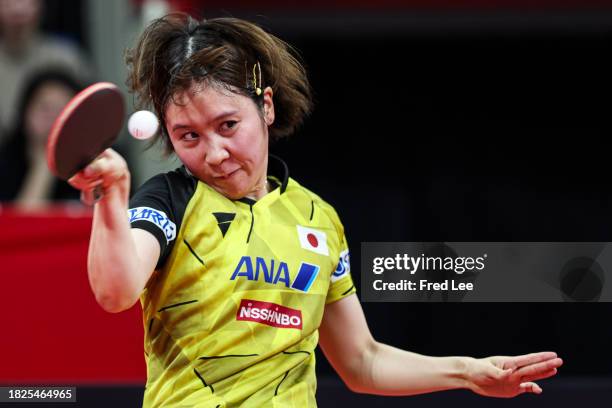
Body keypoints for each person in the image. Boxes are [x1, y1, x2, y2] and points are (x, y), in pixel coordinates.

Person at [68, 13, 563, 407]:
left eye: (227, 125)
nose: (214, 153)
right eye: (189, 136)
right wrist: (111, 198)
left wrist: (467, 373)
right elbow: (115, 292)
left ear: (265, 107)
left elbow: (362, 362)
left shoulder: (317, 218)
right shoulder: (169, 199)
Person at [0, 69, 81, 206]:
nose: (54, 118)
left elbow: (127, 218)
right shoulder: (5, 164)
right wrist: (44, 162)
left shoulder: (97, 163)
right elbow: (20, 225)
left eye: (64, 110)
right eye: (45, 108)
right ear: (25, 112)